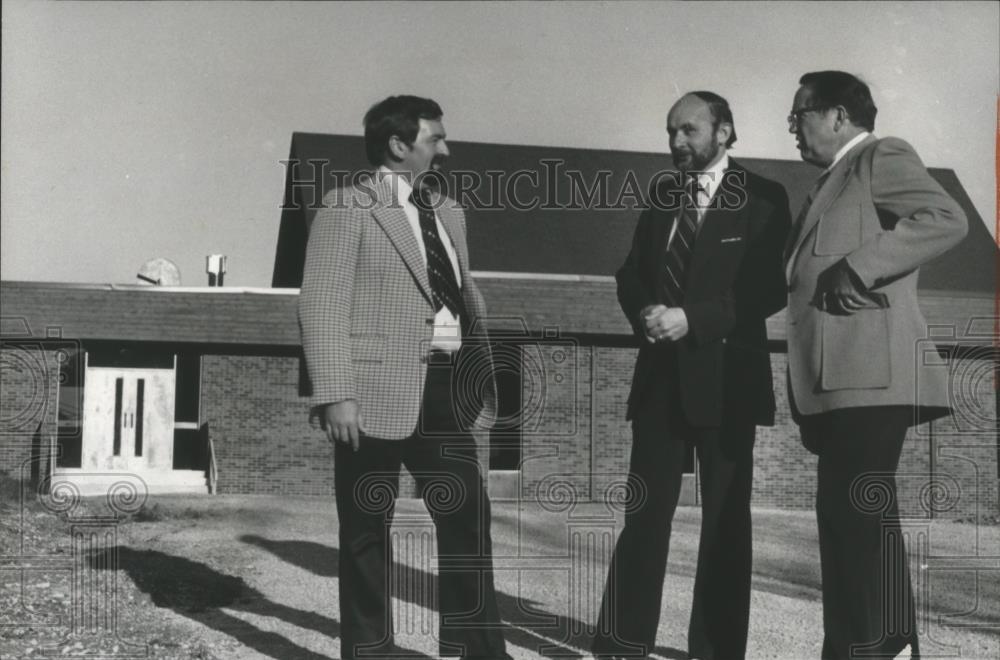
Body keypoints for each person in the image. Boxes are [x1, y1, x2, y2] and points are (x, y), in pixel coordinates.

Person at [298, 95, 508, 660]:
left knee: (469, 521)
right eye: (435, 138)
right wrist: (336, 394)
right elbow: (321, 305)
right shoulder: (346, 207)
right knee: (366, 531)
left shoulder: (450, 213)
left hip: (444, 391)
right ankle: (370, 651)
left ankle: (478, 651)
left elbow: (461, 295)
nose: (446, 148)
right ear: (399, 145)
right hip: (367, 397)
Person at [592, 92, 791, 660]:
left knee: (726, 526)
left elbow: (768, 288)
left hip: (729, 382)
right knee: (643, 519)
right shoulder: (662, 193)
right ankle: (620, 645)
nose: (677, 142)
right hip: (659, 381)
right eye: (670, 131)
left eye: (690, 130)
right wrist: (647, 314)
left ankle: (717, 650)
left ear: (724, 132)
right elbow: (630, 273)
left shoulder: (763, 197)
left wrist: (693, 320)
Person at [784, 71, 968, 659]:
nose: (793, 128)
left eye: (800, 115)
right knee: (868, 518)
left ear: (838, 115)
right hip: (842, 386)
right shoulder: (827, 185)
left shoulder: (879, 157)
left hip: (870, 380)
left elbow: (945, 218)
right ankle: (887, 643)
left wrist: (859, 266)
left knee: (847, 520)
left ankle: (854, 651)